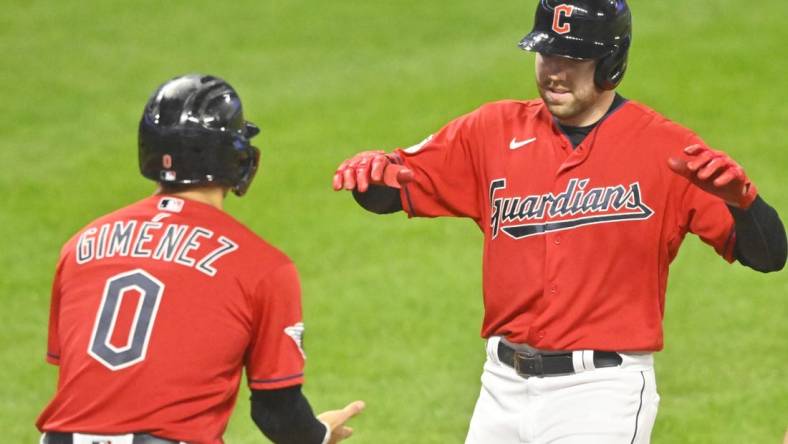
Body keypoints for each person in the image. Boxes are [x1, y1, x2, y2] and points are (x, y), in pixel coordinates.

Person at [332, 1, 786, 442]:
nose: (553, 71)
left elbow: (768, 256)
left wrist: (743, 203)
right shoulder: (491, 130)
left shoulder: (666, 150)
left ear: (610, 62)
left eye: (573, 58)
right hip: (501, 388)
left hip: (601, 394)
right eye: (547, 52)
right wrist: (370, 175)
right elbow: (390, 194)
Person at [37, 74, 364, 444]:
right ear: (236, 157)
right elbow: (277, 412)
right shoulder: (263, 267)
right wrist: (318, 433)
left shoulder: (80, 246)